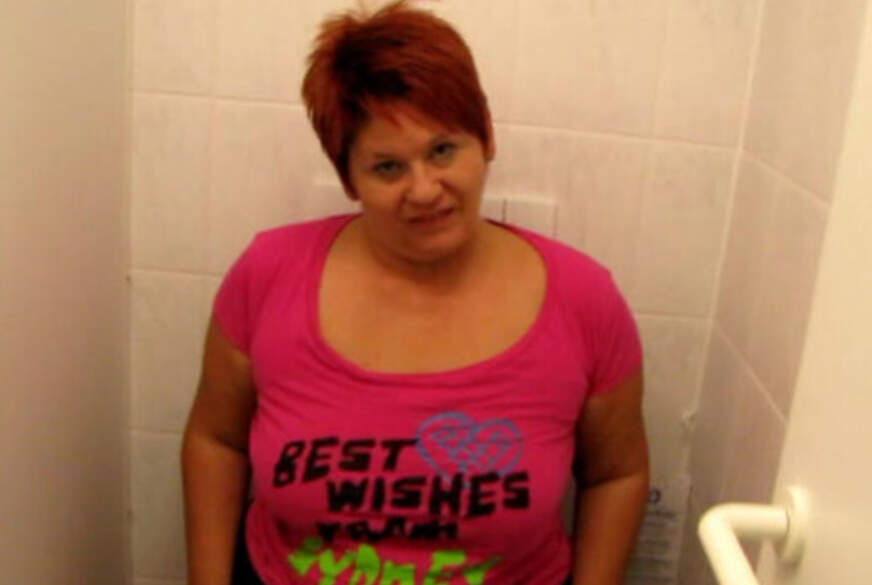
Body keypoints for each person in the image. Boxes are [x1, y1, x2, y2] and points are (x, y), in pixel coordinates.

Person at [181, 2, 649, 585]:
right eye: (387, 168)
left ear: (486, 137)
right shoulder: (268, 275)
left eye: (443, 150)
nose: (425, 190)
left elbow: (616, 475)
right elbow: (216, 440)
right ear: (348, 177)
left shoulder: (584, 300)